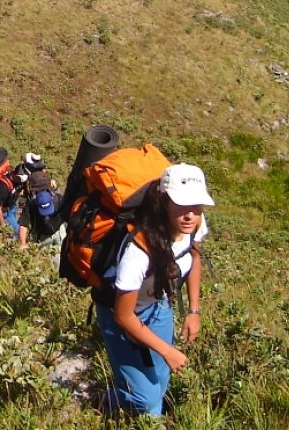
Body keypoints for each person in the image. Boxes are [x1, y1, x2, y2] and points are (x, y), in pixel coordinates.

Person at [96, 163, 213, 417]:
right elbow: (123, 316)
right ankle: (108, 401)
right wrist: (167, 350)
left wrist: (193, 311)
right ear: (164, 201)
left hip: (158, 305)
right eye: (182, 205)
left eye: (196, 206)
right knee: (144, 398)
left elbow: (194, 257)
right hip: (120, 316)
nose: (190, 215)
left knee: (160, 381)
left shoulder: (194, 225)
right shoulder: (139, 250)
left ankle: (150, 418)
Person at [17, 171, 65, 265]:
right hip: (51, 235)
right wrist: (22, 244)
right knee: (51, 264)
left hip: (54, 234)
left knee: (54, 264)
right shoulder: (57, 198)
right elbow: (23, 225)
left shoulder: (32, 203)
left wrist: (23, 243)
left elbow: (23, 224)